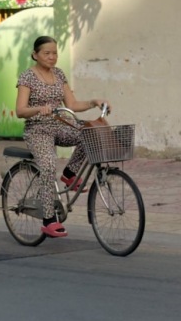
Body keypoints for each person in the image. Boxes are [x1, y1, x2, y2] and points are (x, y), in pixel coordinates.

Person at [14, 36, 110, 238]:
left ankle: (70, 173)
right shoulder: (27, 77)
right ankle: (49, 220)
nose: (52, 57)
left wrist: (94, 101)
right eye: (46, 53)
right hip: (38, 129)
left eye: (55, 53)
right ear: (35, 55)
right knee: (48, 166)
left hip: (61, 124)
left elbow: (73, 105)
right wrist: (40, 109)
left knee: (89, 133)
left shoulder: (59, 74)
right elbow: (20, 111)